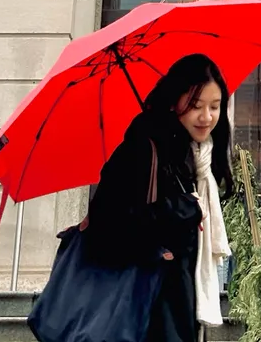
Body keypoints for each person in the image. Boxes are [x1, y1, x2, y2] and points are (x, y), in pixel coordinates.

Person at [84, 54, 233, 342]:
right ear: (174, 102)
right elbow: (106, 225)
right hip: (145, 311)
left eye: (214, 107)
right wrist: (185, 208)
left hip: (177, 308)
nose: (207, 117)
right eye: (196, 106)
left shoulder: (194, 158)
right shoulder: (142, 149)